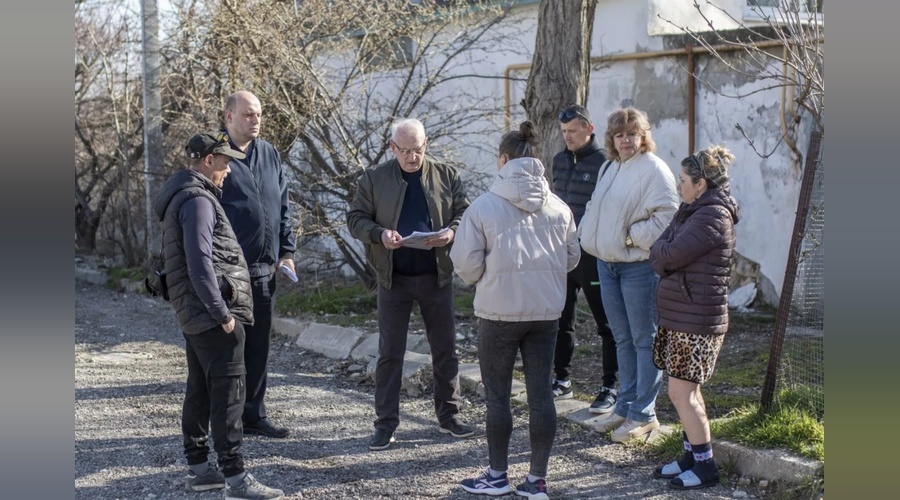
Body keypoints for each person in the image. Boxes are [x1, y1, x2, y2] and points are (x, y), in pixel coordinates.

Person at [452, 121, 579, 499]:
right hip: (545, 313)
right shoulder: (558, 207)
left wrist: (488, 277)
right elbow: (571, 258)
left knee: (498, 397)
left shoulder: (483, 207)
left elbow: (467, 265)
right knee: (542, 394)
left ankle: (496, 476)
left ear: (503, 160)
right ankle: (537, 480)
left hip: (498, 314)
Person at [154, 132, 284, 499]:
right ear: (208, 161)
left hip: (195, 314)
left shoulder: (186, 195)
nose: (228, 170)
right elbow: (200, 265)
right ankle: (236, 479)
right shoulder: (198, 201)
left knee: (199, 386)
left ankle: (200, 469)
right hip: (211, 314)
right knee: (228, 393)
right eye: (225, 162)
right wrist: (223, 313)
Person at [346, 118, 473, 451]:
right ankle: (385, 423)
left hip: (436, 276)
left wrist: (452, 231)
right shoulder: (374, 179)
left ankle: (450, 416)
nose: (412, 157)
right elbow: (355, 218)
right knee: (390, 353)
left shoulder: (447, 175)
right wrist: (379, 234)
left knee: (445, 348)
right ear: (392, 148)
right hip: (393, 279)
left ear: (425, 144)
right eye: (405, 151)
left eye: (417, 150)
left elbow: (464, 211)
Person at [578, 107, 679, 443]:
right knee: (622, 339)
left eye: (631, 134)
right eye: (619, 134)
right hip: (607, 266)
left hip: (637, 267)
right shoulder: (611, 166)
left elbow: (667, 218)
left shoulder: (654, 169)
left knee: (643, 339)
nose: (625, 140)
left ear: (643, 136)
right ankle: (624, 406)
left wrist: (628, 237)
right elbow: (596, 207)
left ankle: (643, 413)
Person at [649, 145, 739, 490]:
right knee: (687, 391)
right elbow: (660, 248)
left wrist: (662, 255)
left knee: (681, 393)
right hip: (683, 314)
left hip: (696, 319)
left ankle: (705, 465)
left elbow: (667, 253)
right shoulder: (691, 210)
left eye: (683, 180)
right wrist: (662, 254)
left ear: (701, 183)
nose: (678, 186)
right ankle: (691, 455)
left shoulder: (711, 215)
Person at [220, 90, 297, 439]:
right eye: (248, 114)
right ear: (229, 117)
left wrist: (287, 251)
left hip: (266, 272)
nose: (256, 120)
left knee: (259, 348)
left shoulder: (269, 153)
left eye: (259, 114)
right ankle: (225, 419)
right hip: (230, 275)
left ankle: (253, 414)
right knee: (229, 349)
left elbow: (282, 206)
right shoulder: (215, 155)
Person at [550, 104, 618, 415]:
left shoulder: (605, 163)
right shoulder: (559, 161)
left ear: (588, 129)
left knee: (607, 323)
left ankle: (610, 387)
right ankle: (561, 380)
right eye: (564, 132)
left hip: (592, 255)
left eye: (573, 131)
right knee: (560, 320)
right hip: (562, 254)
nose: (567, 137)